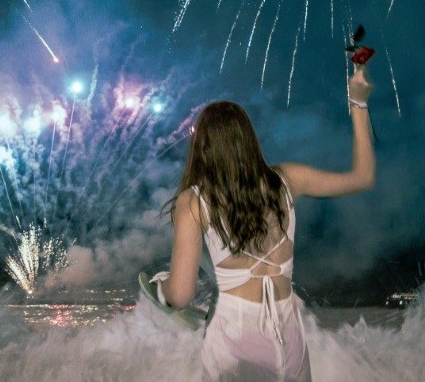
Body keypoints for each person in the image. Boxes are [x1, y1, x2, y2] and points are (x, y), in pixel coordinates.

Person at [157, 64, 375, 381]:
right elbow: (363, 177)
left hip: (236, 340)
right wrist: (359, 102)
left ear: (202, 148)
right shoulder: (288, 180)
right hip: (289, 336)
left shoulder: (195, 201)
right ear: (248, 139)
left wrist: (161, 291)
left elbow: (181, 295)